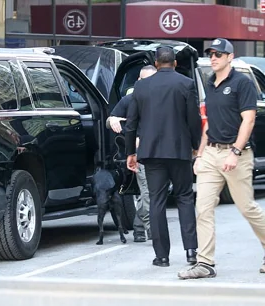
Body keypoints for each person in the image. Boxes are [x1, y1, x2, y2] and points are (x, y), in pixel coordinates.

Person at [178, 38, 265, 279]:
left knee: (247, 207)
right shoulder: (210, 83)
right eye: (211, 54)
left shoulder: (242, 83)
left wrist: (236, 152)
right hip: (211, 154)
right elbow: (209, 123)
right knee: (202, 208)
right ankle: (205, 263)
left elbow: (248, 120)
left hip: (236, 153)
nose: (214, 57)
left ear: (230, 57)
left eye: (218, 54)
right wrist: (200, 154)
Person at [124, 46, 202, 267]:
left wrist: (131, 152)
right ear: (175, 63)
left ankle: (162, 256)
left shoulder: (141, 87)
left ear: (156, 64)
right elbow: (193, 120)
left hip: (151, 152)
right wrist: (196, 146)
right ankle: (191, 252)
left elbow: (131, 124)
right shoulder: (186, 84)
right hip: (179, 151)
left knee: (156, 201)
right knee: (185, 198)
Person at [106, 65, 157, 242]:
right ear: (138, 82)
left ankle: (138, 226)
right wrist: (113, 120)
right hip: (140, 155)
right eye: (144, 80)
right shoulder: (130, 99)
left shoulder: (162, 99)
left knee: (153, 194)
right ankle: (153, 233)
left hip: (160, 153)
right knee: (148, 193)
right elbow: (111, 117)